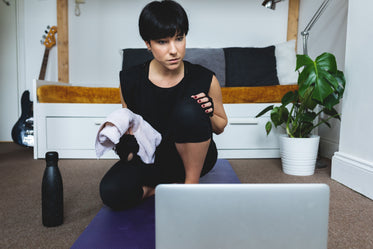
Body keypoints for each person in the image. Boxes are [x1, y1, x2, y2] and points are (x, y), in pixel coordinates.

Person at [99, 0, 228, 210]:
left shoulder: (204, 78)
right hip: (152, 159)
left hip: (193, 160)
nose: (174, 50)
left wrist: (207, 110)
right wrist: (124, 144)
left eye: (179, 38)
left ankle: (190, 187)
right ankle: (165, 187)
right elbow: (130, 126)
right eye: (162, 42)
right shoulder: (130, 80)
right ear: (148, 44)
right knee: (111, 191)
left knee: (189, 108)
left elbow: (221, 126)